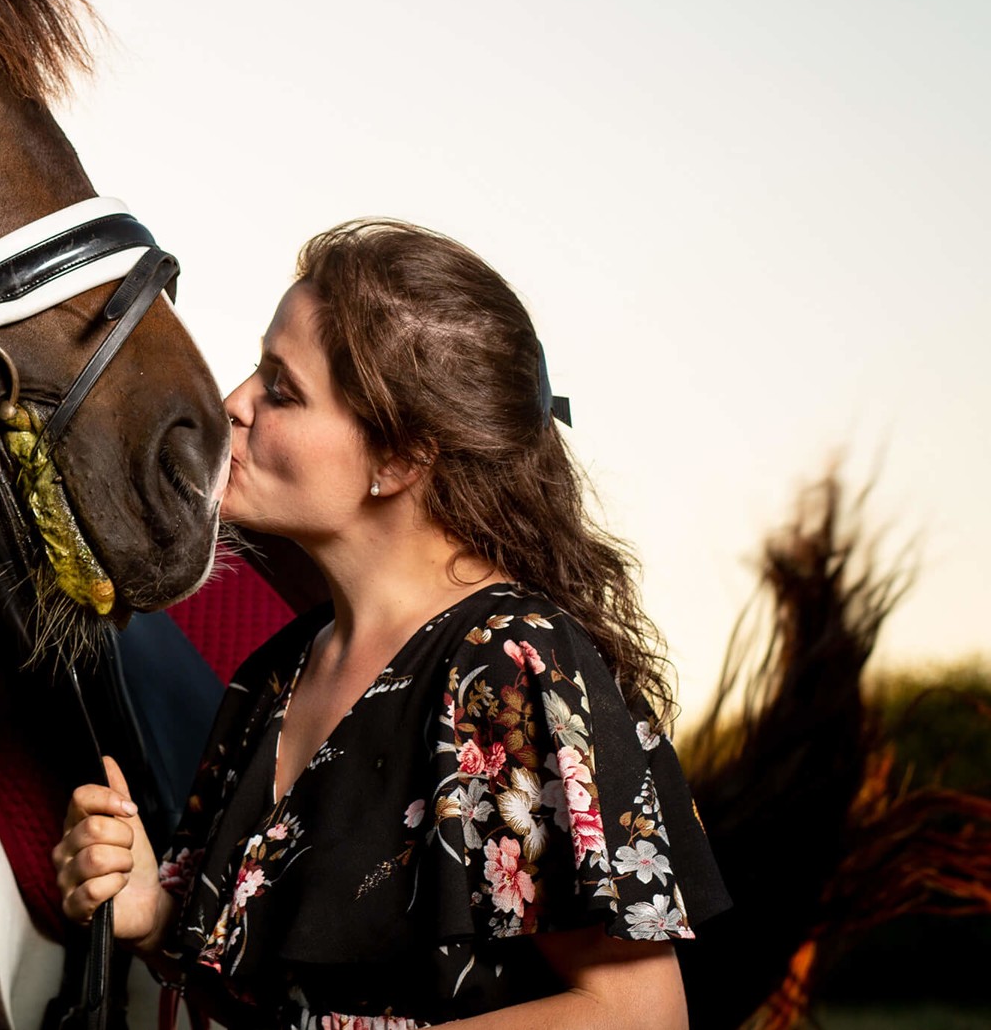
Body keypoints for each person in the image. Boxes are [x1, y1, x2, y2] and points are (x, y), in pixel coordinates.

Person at [54, 220, 728, 1029]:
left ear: (400, 458)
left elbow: (638, 1013)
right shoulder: (276, 670)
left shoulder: (510, 665)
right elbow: (259, 991)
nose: (233, 402)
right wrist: (149, 915)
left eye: (282, 387)